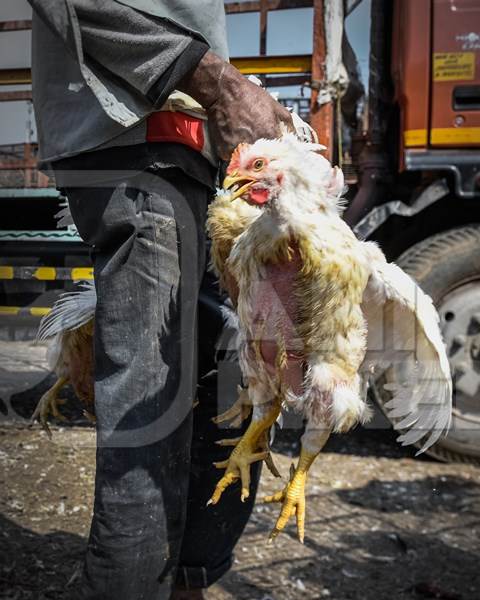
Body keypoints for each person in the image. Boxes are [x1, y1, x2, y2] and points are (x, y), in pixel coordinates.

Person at [28, 1, 293, 598]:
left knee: (227, 380)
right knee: (154, 410)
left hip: (195, 154)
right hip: (138, 138)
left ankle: (186, 577)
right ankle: (128, 585)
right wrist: (220, 85)